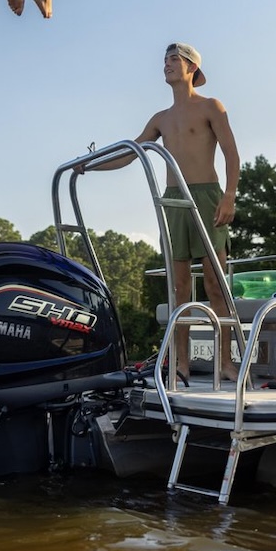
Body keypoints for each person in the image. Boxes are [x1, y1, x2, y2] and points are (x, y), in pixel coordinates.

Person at [79, 43, 240, 383]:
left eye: (174, 60)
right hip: (173, 199)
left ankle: (225, 362)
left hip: (208, 197)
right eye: (164, 60)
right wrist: (89, 165)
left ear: (192, 68)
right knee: (179, 287)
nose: (166, 65)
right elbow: (130, 153)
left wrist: (229, 196)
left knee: (215, 283)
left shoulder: (212, 106)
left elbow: (231, 154)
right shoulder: (161, 119)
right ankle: (180, 362)